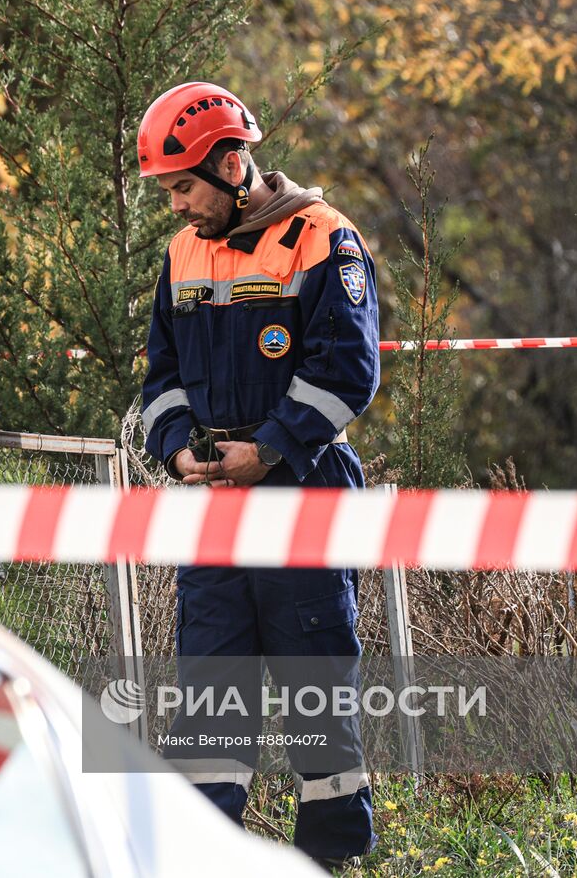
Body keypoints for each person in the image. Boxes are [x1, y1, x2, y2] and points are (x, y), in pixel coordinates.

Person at [137, 81, 379, 868]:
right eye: (169, 190)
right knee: (209, 688)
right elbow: (161, 379)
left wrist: (268, 448)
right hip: (211, 498)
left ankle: (332, 857)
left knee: (316, 687)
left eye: (182, 186)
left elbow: (348, 373)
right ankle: (204, 858)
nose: (176, 206)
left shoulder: (322, 238)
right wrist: (177, 448)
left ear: (232, 162)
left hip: (300, 488)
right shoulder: (181, 255)